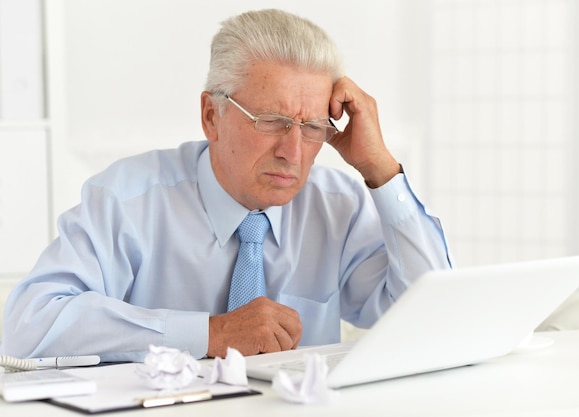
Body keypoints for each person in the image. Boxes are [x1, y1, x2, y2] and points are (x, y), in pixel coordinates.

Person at [1, 9, 451, 362]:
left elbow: (433, 319)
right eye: (271, 122)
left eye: (313, 127)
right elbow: (27, 325)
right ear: (212, 116)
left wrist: (380, 169)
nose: (293, 153)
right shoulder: (127, 200)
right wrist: (208, 333)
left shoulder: (338, 206)